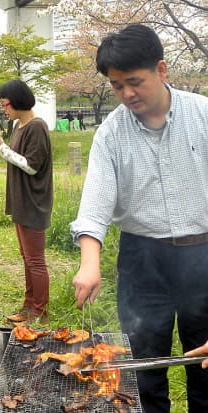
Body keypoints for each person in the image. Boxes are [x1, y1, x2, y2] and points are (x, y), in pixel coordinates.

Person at [70, 24, 208, 413]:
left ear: (161, 70)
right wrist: (89, 262)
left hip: (203, 252)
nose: (127, 94)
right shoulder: (111, 133)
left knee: (205, 364)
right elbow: (95, 201)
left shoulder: (203, 115)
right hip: (142, 258)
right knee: (143, 364)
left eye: (135, 81)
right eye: (116, 86)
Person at [0, 79, 53, 325]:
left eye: (5, 103)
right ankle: (28, 306)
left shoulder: (37, 127)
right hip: (22, 201)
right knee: (27, 258)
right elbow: (16, 156)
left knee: (35, 260)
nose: (4, 107)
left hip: (34, 202)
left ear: (18, 101)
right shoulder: (18, 125)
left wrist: (0, 147)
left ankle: (40, 312)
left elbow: (31, 167)